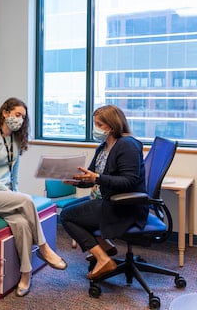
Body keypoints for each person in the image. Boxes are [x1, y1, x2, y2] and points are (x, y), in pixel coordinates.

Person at [0, 97, 67, 297]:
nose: (19, 120)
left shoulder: (16, 140)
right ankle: (44, 248)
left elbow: (14, 176)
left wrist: (14, 193)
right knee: (26, 200)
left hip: (3, 195)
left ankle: (26, 275)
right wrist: (13, 196)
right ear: (5, 113)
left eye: (23, 117)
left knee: (21, 223)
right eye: (17, 114)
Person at [60, 105, 147, 280]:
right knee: (70, 208)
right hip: (107, 199)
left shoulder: (127, 145)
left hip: (123, 206)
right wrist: (78, 181)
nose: (96, 128)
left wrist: (97, 179)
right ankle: (105, 246)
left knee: (66, 216)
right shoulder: (102, 147)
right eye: (95, 124)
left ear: (112, 126)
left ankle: (103, 258)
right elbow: (93, 177)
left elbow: (128, 181)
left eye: (99, 124)